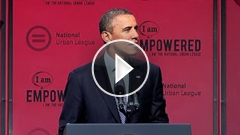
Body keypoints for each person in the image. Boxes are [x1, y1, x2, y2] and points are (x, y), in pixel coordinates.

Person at [58, 8, 169, 135]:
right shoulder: (81, 78)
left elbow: (159, 123)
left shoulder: (151, 73)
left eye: (136, 29)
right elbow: (67, 130)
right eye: (127, 30)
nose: (136, 35)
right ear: (107, 36)